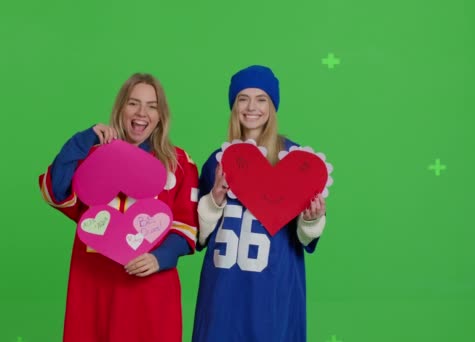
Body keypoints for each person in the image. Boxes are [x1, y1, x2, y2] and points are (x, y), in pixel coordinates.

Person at [38, 73, 199, 342]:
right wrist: (80, 141)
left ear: (161, 115)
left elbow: (186, 227)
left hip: (149, 286)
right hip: (94, 283)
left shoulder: (179, 163)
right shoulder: (91, 153)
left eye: (152, 105)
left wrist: (160, 258)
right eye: (133, 103)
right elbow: (55, 191)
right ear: (121, 108)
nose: (142, 113)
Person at [192, 65, 328, 342]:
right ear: (234, 105)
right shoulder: (217, 160)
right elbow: (199, 236)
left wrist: (312, 220)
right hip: (223, 287)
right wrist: (214, 201)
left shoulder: (294, 159)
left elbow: (304, 238)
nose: (251, 107)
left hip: (273, 286)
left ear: (272, 106)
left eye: (261, 99)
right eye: (243, 98)